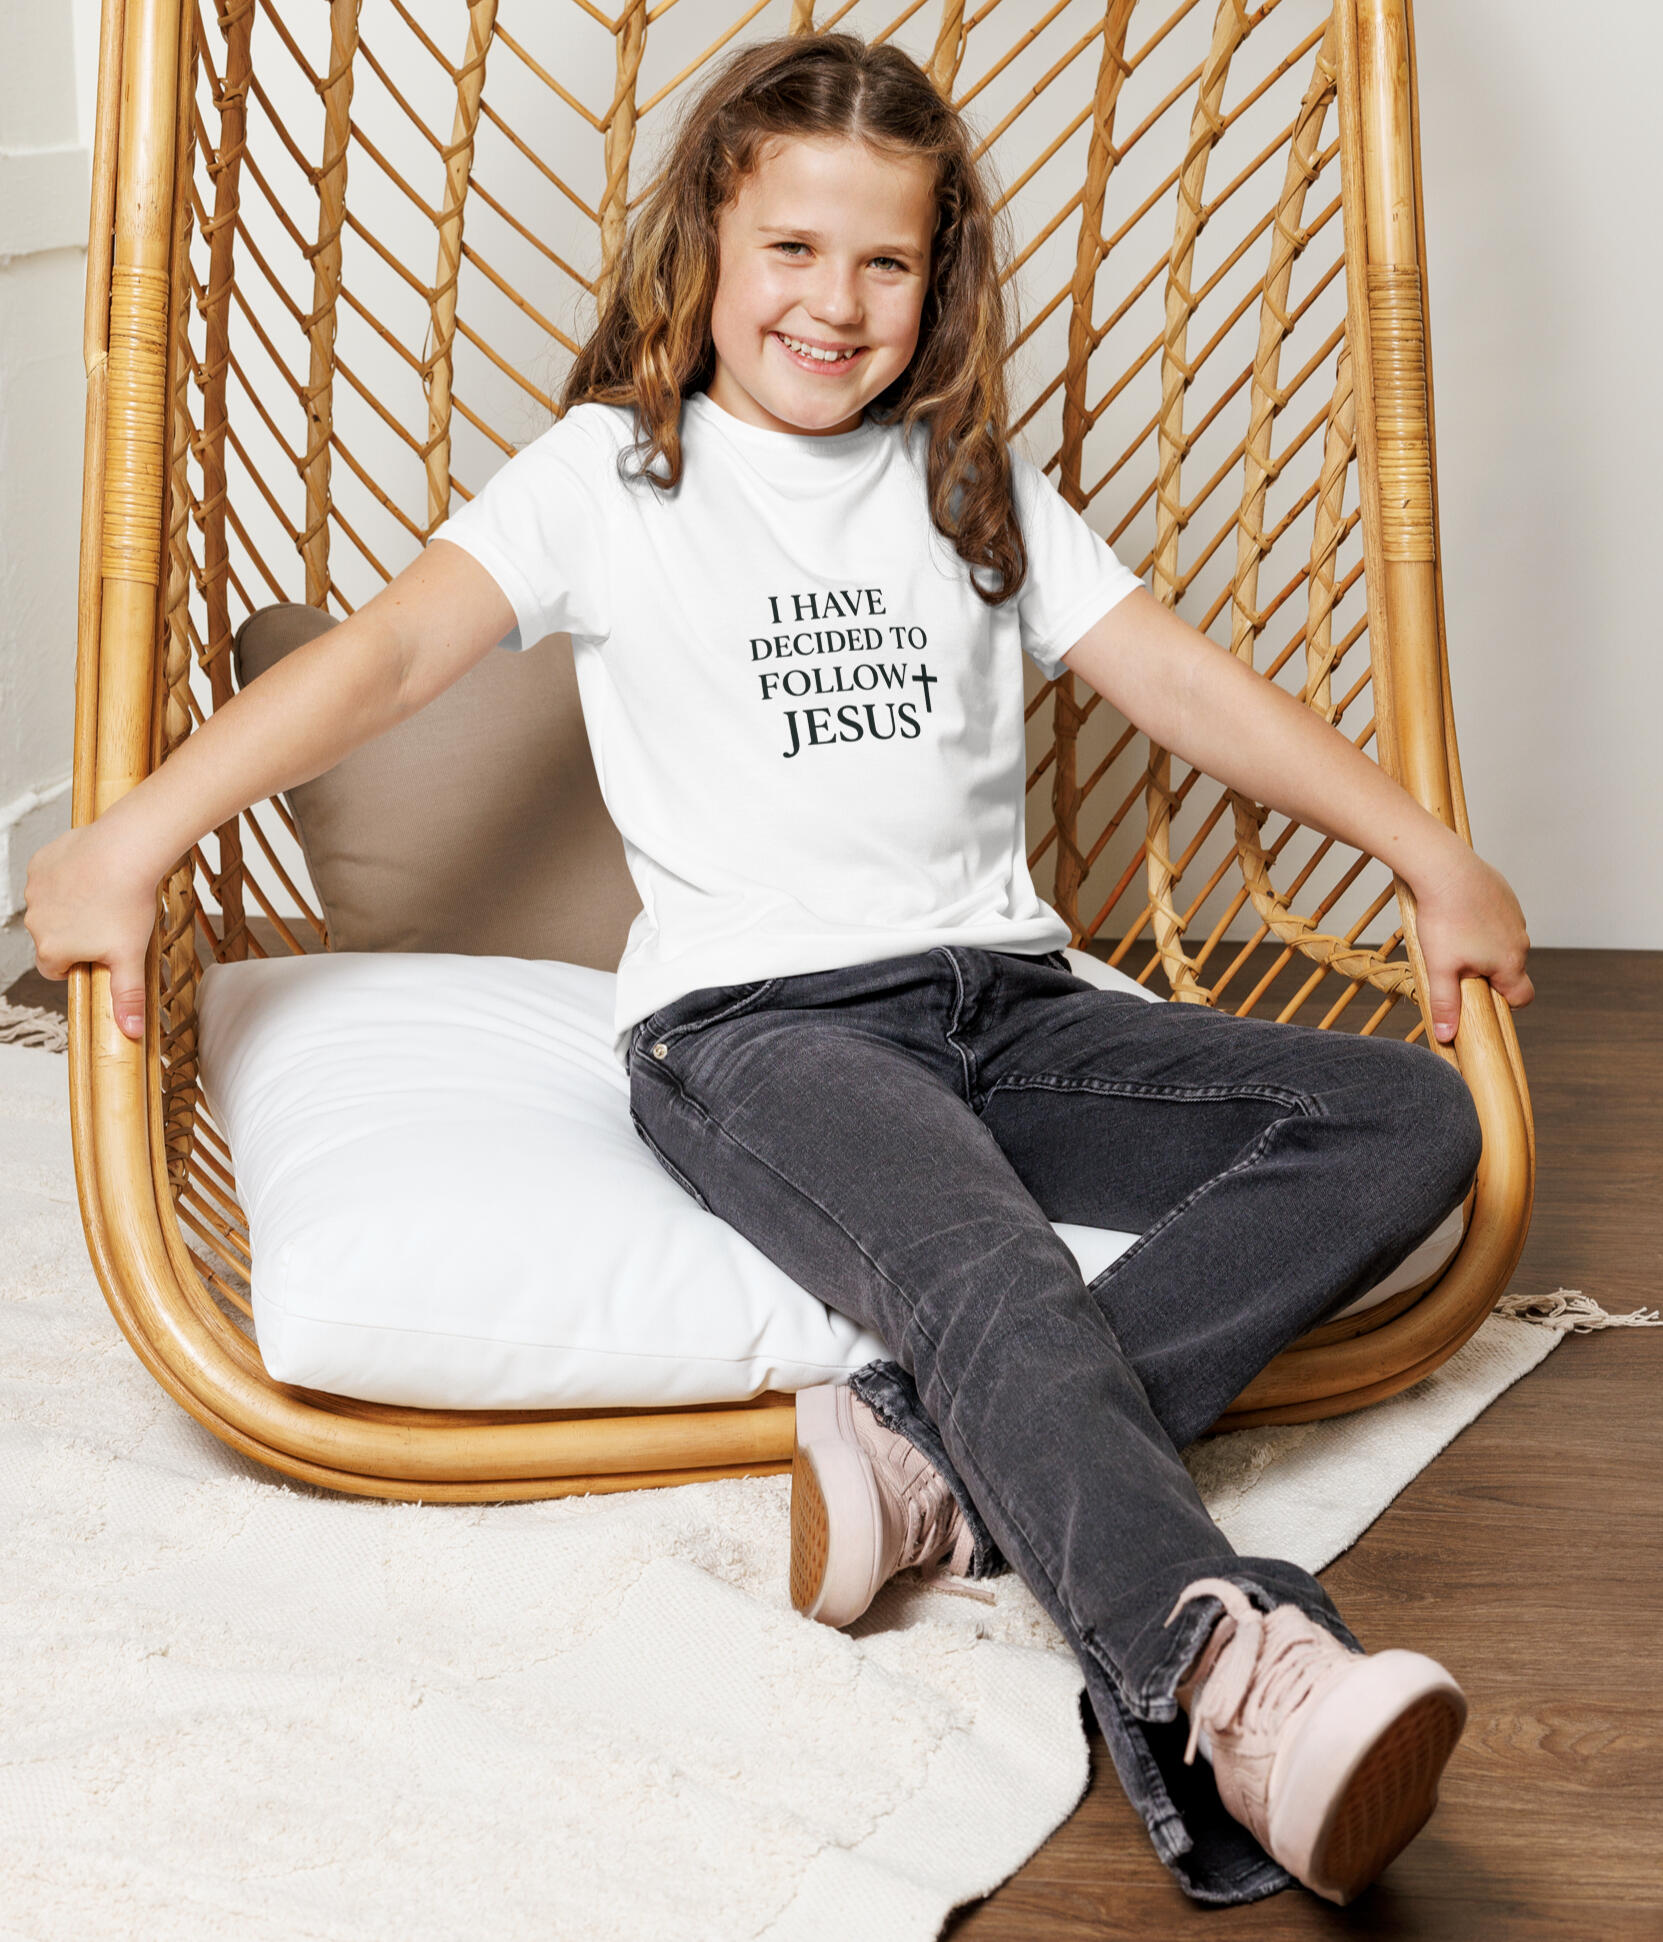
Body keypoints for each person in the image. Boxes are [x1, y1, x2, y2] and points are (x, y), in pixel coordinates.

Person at [25, 31, 1532, 1912]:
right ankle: (1235, 1673)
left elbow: (1178, 681)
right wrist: (133, 832)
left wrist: (1427, 849)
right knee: (974, 1258)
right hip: (763, 1027)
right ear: (709, 254)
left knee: (1401, 1115)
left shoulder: (971, 482)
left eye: (885, 262)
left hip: (1014, 997)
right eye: (793, 253)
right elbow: (389, 662)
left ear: (938, 276)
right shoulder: (613, 472)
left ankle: (919, 1459)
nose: (836, 302)